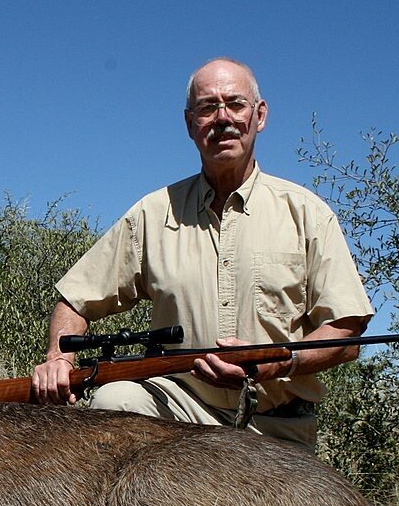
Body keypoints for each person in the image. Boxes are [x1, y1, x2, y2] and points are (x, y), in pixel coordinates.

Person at [30, 57, 373, 452]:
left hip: (274, 424)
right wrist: (59, 358)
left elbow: (346, 334)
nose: (222, 118)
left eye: (235, 104)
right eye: (208, 107)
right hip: (179, 410)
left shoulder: (306, 213)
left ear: (259, 116)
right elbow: (75, 298)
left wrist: (276, 364)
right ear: (190, 123)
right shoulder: (153, 213)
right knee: (114, 400)